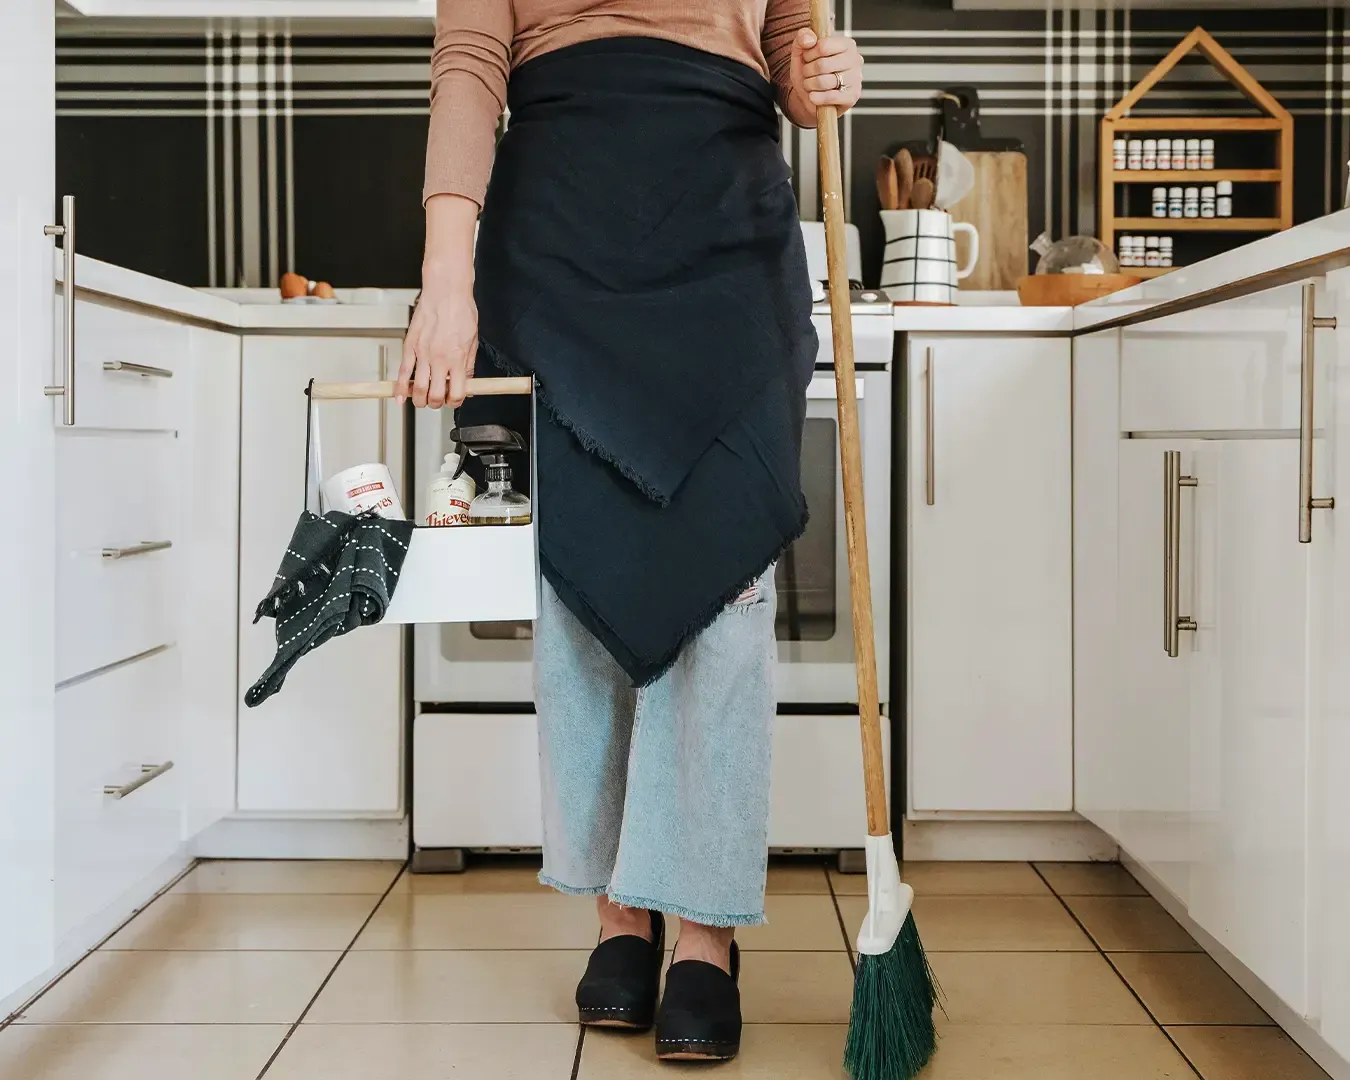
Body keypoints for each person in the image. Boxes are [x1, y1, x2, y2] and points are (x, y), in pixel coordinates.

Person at [401, 1, 862, 1064]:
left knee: (725, 586)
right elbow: (471, 63)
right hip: (558, 229)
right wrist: (445, 280)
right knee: (582, 585)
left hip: (727, 231)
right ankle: (619, 909)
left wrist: (823, 71)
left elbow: (792, 48)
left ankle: (703, 928)